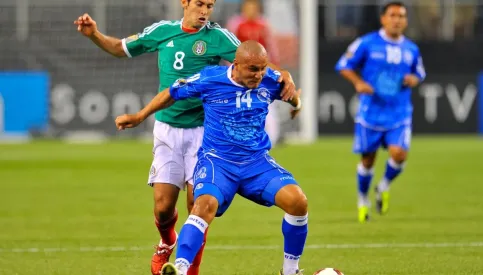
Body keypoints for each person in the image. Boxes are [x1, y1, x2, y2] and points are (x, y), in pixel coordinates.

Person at [73, 1, 297, 274]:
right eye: (200, 4)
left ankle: (189, 270)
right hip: (167, 129)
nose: (205, 10)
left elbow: (251, 59)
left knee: (198, 206)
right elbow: (120, 48)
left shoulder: (218, 37)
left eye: (210, 5)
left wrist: (282, 74)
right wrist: (94, 34)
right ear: (185, 3)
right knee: (163, 207)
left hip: (203, 133)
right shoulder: (162, 31)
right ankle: (167, 241)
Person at [115, 40, 308, 275]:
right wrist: (139, 116)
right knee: (203, 205)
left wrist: (296, 103)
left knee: (298, 202)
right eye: (253, 69)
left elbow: (291, 94)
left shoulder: (270, 80)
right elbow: (171, 93)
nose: (259, 75)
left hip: (256, 163)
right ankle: (181, 269)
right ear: (236, 65)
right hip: (218, 162)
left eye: (262, 69)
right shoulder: (210, 79)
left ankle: (290, 271)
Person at [335, 1, 426, 223]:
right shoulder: (367, 43)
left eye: (401, 16)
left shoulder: (411, 49)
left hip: (399, 112)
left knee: (399, 154)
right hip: (371, 112)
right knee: (368, 160)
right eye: (393, 15)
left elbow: (420, 72)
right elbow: (343, 65)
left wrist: (414, 79)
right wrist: (358, 82)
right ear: (383, 18)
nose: (397, 20)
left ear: (405, 21)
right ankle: (363, 198)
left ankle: (383, 185)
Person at [226, 0, 282, 146]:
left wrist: (274, 68)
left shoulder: (264, 25)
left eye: (254, 7)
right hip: (241, 73)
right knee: (238, 104)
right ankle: (237, 138)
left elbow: (271, 47)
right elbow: (230, 49)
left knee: (267, 102)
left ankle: (272, 138)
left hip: (262, 71)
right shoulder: (236, 24)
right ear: (244, 8)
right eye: (248, 7)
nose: (251, 10)